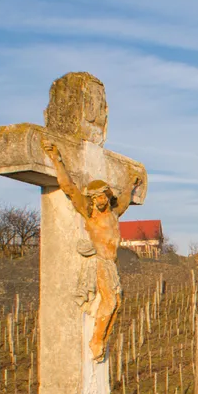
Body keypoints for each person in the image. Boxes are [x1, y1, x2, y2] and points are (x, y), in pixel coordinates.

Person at [41, 139, 142, 362]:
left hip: (110, 263)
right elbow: (68, 187)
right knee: (110, 303)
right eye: (95, 197)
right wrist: (57, 160)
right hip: (99, 263)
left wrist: (131, 184)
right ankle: (96, 340)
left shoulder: (114, 214)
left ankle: (102, 340)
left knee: (117, 304)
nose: (99, 200)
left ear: (107, 196)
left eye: (102, 196)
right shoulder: (90, 214)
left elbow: (125, 198)